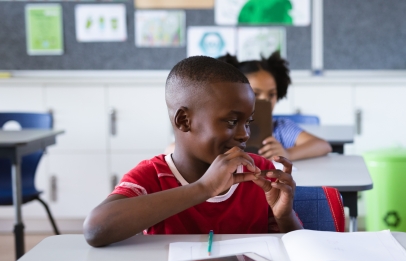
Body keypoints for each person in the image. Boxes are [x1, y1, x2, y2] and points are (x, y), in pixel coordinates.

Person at [84, 56, 302, 247]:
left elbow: (297, 249)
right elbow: (95, 229)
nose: (244, 134)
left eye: (247, 122)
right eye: (232, 121)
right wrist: (203, 188)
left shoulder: (258, 171)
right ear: (184, 121)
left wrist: (284, 215)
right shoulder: (152, 177)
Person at [219, 51, 332, 161]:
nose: (265, 100)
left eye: (271, 94)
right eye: (256, 94)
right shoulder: (224, 128)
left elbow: (323, 145)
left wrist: (288, 153)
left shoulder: (280, 128)